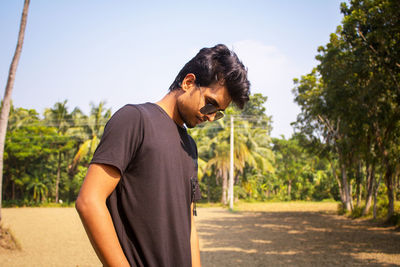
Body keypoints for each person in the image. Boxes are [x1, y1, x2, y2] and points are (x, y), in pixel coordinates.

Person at [75, 44, 250, 267]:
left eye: (217, 113)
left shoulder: (190, 146)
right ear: (188, 83)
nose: (210, 116)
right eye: (210, 104)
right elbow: (89, 201)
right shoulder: (135, 120)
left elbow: (189, 226)